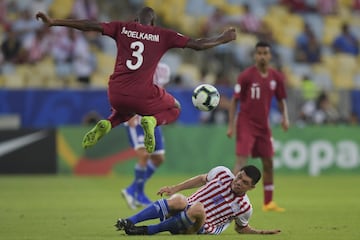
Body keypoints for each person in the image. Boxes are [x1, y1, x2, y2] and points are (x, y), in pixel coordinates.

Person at [36, 7, 236, 153]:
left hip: (115, 92)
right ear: (153, 23)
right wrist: (222, 38)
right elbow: (198, 45)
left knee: (124, 111)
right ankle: (152, 120)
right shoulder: (162, 34)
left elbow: (90, 25)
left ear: (135, 20)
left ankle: (108, 123)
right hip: (142, 93)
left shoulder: (122, 28)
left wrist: (54, 21)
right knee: (175, 108)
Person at [114, 165, 281, 235]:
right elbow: (201, 179)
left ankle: (147, 231)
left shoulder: (244, 207)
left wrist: (259, 232)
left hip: (201, 227)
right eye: (239, 177)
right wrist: (174, 188)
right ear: (237, 173)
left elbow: (240, 228)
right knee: (179, 200)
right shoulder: (222, 173)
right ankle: (129, 222)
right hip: (184, 209)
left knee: (198, 208)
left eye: (244, 183)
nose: (238, 182)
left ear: (251, 188)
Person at [226, 41, 289, 212]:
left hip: (263, 126)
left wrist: (285, 118)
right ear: (255, 55)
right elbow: (234, 100)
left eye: (265, 53)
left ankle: (268, 202)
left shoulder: (276, 77)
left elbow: (281, 99)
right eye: (259, 53)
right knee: (241, 160)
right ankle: (229, 199)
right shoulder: (246, 76)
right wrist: (231, 125)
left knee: (268, 162)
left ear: (270, 55)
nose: (262, 56)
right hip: (246, 122)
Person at [122, 62, 170, 209]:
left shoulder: (164, 69)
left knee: (158, 158)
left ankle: (131, 190)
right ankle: (140, 194)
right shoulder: (138, 66)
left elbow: (161, 93)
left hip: (152, 118)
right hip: (136, 116)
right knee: (144, 155)